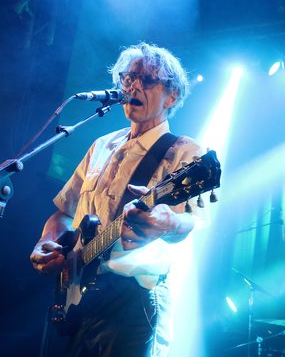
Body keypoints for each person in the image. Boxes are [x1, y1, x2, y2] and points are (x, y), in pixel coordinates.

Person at [29, 42, 207, 357]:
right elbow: (63, 213)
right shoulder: (100, 145)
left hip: (133, 298)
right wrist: (46, 240)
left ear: (172, 96)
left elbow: (188, 221)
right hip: (78, 297)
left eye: (148, 79)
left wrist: (168, 222)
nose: (134, 85)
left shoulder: (185, 152)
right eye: (128, 78)